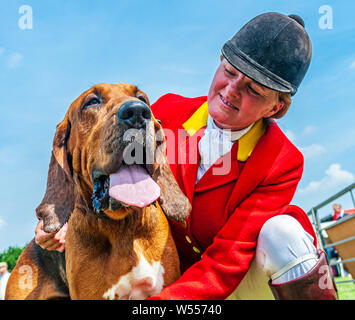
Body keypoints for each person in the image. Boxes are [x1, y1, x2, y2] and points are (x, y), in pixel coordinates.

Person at [35, 12, 337, 299]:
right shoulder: (164, 112)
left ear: (276, 108)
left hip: (235, 284)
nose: (230, 91)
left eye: (253, 90)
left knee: (282, 233)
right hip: (168, 275)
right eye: (229, 72)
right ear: (220, 62)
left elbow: (226, 262)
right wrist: (62, 219)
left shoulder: (282, 161)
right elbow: (101, 166)